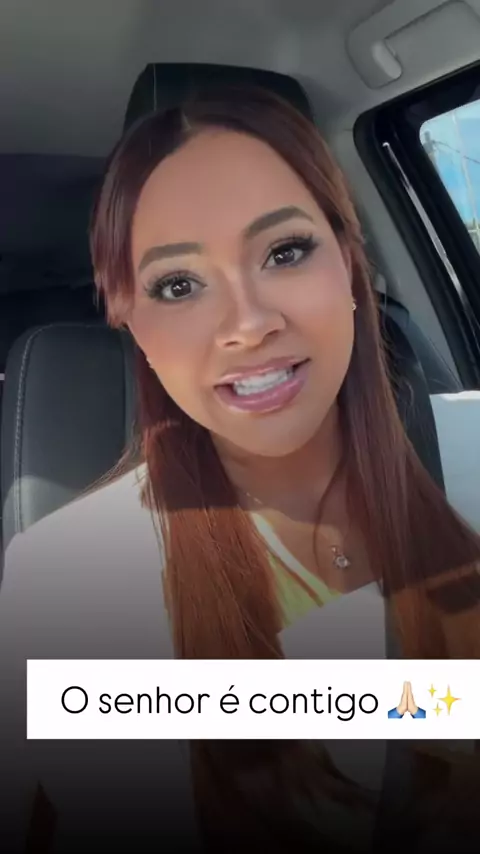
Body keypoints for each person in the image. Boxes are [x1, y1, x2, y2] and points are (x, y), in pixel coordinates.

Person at [1, 85, 480, 853]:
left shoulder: (470, 454)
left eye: (285, 252)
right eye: (178, 285)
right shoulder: (70, 581)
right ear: (131, 322)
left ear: (349, 262)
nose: (249, 324)